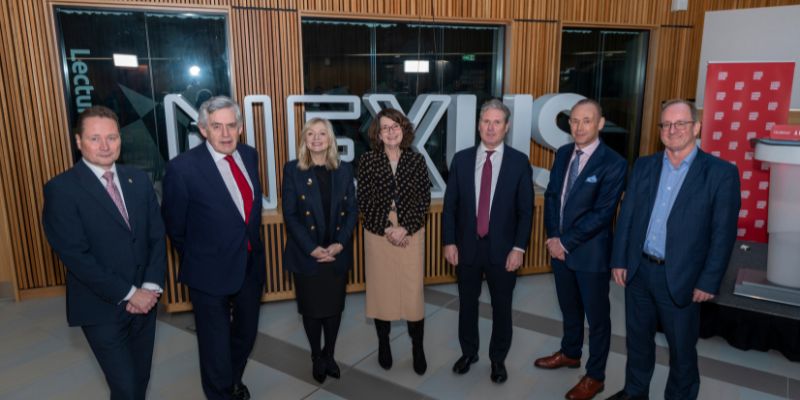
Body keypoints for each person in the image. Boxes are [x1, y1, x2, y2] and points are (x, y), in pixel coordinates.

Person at [606, 100, 741, 400]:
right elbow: (627, 216)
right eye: (666, 124)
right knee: (638, 340)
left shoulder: (721, 174)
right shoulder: (644, 165)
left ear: (696, 127)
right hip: (639, 272)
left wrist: (709, 280)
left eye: (680, 123)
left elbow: (723, 234)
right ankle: (635, 391)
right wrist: (620, 259)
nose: (672, 130)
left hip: (682, 276)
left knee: (681, 348)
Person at [42, 105, 166, 400]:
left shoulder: (138, 180)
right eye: (95, 138)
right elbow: (75, 255)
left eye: (112, 137)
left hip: (145, 304)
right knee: (125, 387)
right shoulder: (61, 189)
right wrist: (128, 293)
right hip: (100, 308)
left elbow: (156, 237)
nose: (105, 146)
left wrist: (148, 287)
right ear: (78, 142)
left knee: (139, 382)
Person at [162, 96, 265, 400]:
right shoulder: (182, 169)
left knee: (245, 336)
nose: (225, 134)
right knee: (214, 344)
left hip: (249, 266)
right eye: (216, 126)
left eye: (231, 126)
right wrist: (199, 255)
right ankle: (220, 392)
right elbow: (175, 226)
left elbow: (248, 215)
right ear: (203, 130)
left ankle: (233, 379)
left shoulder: (249, 155)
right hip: (207, 271)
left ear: (241, 127)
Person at [534, 99, 626, 400]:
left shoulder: (614, 163)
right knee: (568, 308)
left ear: (600, 124)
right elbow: (551, 198)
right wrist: (553, 237)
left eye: (587, 120)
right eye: (574, 120)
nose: (579, 127)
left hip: (590, 254)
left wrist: (565, 241)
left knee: (597, 318)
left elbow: (602, 213)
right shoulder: (562, 154)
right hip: (560, 251)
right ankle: (570, 353)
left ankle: (595, 376)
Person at [442, 99, 534, 383]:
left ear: (506, 127)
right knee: (467, 304)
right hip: (467, 247)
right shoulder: (462, 159)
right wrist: (449, 241)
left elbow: (525, 210)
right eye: (486, 121)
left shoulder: (519, 162)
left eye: (497, 122)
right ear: (478, 125)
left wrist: (519, 248)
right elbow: (450, 207)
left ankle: (497, 359)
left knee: (502, 307)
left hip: (504, 251)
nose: (490, 127)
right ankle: (469, 352)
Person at [281, 118, 357, 383]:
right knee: (312, 311)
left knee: (334, 309)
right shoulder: (293, 170)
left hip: (336, 253)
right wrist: (313, 248)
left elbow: (352, 212)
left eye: (322, 134)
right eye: (310, 134)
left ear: (330, 139)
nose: (316, 139)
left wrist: (339, 244)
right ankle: (316, 355)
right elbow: (290, 216)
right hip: (307, 255)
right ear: (304, 139)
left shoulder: (344, 170)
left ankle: (330, 355)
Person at [357, 108, 431, 375]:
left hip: (411, 233)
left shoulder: (416, 160)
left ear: (404, 129)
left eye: (395, 126)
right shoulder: (367, 160)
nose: (391, 131)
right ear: (378, 132)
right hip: (379, 234)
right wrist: (389, 228)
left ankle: (418, 347)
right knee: (381, 292)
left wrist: (405, 229)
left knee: (413, 294)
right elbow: (364, 201)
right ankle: (384, 344)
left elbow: (423, 200)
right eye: (385, 127)